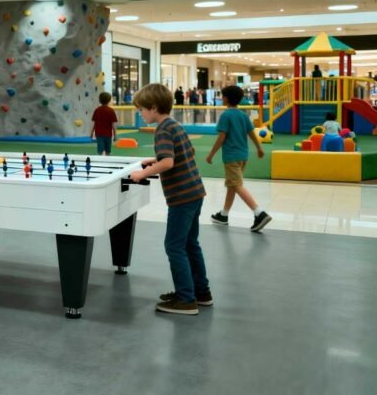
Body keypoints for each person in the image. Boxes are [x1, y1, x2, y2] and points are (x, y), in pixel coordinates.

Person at [128, 83, 210, 315]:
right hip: (195, 192)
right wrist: (153, 160)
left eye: (141, 109)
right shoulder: (175, 125)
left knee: (174, 246)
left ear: (153, 108)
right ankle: (200, 292)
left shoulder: (162, 129)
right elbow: (183, 154)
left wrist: (141, 174)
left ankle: (186, 299)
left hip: (181, 197)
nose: (140, 113)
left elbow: (168, 162)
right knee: (190, 244)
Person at [206, 86, 271, 232]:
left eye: (222, 96)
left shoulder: (226, 115)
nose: (222, 99)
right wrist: (259, 148)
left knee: (237, 185)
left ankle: (259, 213)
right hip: (243, 156)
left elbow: (222, 137)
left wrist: (211, 154)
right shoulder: (243, 115)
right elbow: (252, 133)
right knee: (232, 185)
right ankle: (223, 215)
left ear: (226, 99)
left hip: (231, 157)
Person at [90, 92, 118, 156]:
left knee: (100, 150)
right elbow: (113, 124)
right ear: (109, 100)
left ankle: (101, 159)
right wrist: (115, 135)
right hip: (108, 134)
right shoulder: (111, 111)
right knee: (108, 151)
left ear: (99, 100)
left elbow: (95, 123)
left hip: (99, 134)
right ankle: (108, 160)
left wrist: (91, 133)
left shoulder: (97, 110)